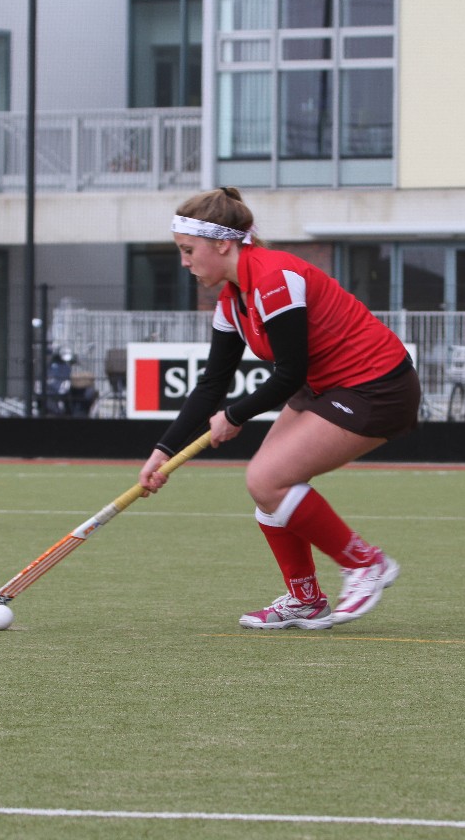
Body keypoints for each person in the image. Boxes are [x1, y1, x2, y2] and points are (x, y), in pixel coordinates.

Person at [138, 187, 420, 629]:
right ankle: (305, 599)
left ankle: (366, 564)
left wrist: (234, 416)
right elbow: (212, 384)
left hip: (377, 385)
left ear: (223, 245)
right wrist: (163, 452)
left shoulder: (274, 278)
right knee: (265, 488)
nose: (184, 262)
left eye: (188, 250)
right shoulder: (232, 300)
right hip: (326, 386)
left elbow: (289, 374)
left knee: (267, 478)